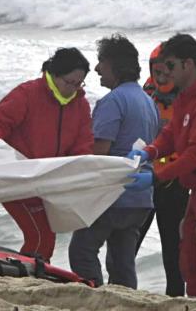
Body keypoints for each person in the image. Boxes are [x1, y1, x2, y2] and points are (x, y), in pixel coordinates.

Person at [127, 34, 196, 301]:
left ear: (188, 65)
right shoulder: (186, 97)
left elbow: (194, 155)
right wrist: (149, 151)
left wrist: (155, 176)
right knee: (188, 259)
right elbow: (172, 134)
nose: (165, 74)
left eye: (171, 66)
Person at [0, 47, 93, 261]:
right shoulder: (28, 94)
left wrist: (79, 170)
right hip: (17, 179)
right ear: (55, 74)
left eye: (79, 84)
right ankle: (30, 276)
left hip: (49, 182)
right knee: (41, 236)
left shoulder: (80, 105)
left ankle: (26, 269)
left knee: (45, 237)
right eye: (69, 82)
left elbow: (83, 144)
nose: (73, 89)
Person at [68, 35, 158, 289]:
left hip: (113, 196)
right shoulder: (147, 101)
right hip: (140, 198)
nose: (96, 69)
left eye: (101, 62)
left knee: (82, 251)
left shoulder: (113, 101)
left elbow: (100, 154)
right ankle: (124, 302)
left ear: (115, 65)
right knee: (122, 262)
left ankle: (93, 296)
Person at [134, 44, 188, 297]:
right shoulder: (145, 92)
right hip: (146, 179)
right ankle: (119, 291)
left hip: (175, 183)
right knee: (128, 244)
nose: (162, 78)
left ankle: (175, 299)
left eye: (168, 71)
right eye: (158, 72)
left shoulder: (191, 97)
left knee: (174, 250)